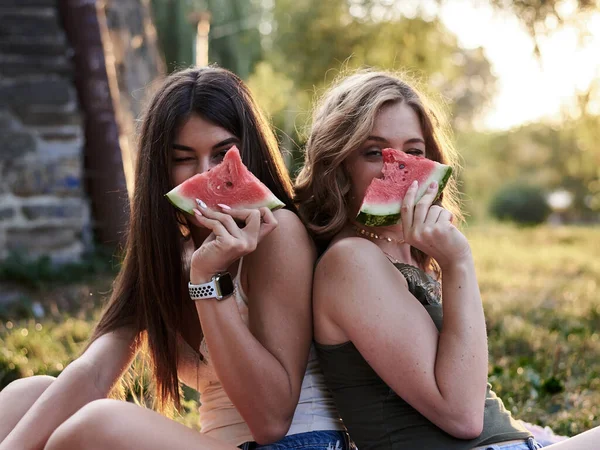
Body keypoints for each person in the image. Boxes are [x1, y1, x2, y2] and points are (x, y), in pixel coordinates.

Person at [0, 66, 348, 450]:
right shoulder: (165, 253)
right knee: (26, 395)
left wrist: (207, 279)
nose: (207, 174)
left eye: (222, 154)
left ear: (249, 153)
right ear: (159, 170)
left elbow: (271, 420)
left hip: (301, 443)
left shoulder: (277, 232)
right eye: (183, 158)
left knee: (100, 423)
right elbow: (94, 373)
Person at [294, 69, 599, 450]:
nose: (399, 166)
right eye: (374, 152)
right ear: (339, 164)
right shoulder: (351, 261)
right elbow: (462, 415)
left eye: (414, 152)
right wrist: (459, 262)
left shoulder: (408, 255)